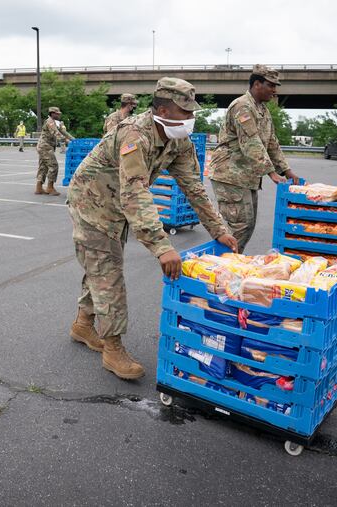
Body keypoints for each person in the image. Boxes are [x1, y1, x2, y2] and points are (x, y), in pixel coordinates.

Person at [67, 77, 238, 380]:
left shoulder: (178, 138)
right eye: (183, 112)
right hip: (92, 203)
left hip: (118, 205)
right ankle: (113, 348)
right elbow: (135, 192)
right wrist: (162, 246)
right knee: (108, 272)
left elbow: (193, 187)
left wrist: (218, 229)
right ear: (161, 109)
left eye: (191, 112)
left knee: (101, 266)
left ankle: (83, 324)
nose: (190, 119)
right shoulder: (135, 135)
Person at [209, 64, 298, 253]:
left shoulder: (262, 110)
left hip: (245, 176)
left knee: (245, 226)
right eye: (271, 85)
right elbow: (251, 142)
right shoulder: (242, 106)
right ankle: (219, 268)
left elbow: (271, 142)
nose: (274, 91)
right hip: (229, 175)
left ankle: (228, 264)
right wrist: (272, 173)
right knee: (240, 227)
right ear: (257, 84)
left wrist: (286, 170)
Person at [35, 106, 74, 196]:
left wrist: (74, 140)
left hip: (46, 147)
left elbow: (64, 132)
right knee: (54, 165)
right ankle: (50, 187)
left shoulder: (57, 123)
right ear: (52, 114)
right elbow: (57, 134)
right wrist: (67, 141)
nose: (59, 115)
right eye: (57, 113)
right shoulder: (50, 122)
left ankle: (39, 187)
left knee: (43, 167)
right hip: (45, 147)